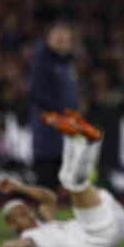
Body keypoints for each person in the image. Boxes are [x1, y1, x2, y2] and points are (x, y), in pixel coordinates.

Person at [0, 110, 124, 247]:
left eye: (27, 210)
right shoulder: (32, 236)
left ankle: (70, 136)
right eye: (21, 215)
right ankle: (88, 142)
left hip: (114, 218)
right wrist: (12, 245)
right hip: (98, 236)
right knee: (72, 183)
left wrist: (17, 186)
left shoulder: (46, 224)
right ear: (12, 225)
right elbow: (25, 243)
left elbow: (49, 197)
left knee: (66, 180)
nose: (29, 215)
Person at [29, 22, 79, 190]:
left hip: (64, 134)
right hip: (48, 134)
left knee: (63, 187)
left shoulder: (66, 64)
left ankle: (51, 216)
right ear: (48, 39)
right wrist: (61, 112)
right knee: (47, 185)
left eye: (65, 39)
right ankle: (44, 217)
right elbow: (36, 92)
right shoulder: (43, 62)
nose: (62, 42)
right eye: (58, 38)